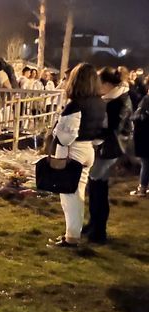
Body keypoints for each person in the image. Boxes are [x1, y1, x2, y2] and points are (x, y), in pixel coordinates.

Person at [49, 63, 106, 247]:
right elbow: (101, 131)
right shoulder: (100, 103)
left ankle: (72, 237)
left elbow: (65, 137)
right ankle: (72, 233)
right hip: (88, 149)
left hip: (73, 151)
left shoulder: (75, 105)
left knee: (70, 197)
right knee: (77, 194)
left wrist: (56, 130)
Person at [83, 67, 133, 244]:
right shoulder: (112, 98)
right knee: (96, 185)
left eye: (98, 83)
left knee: (98, 186)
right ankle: (93, 224)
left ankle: (99, 231)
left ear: (107, 84)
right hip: (107, 146)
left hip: (111, 147)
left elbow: (114, 127)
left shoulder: (118, 101)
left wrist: (95, 132)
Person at [130, 82, 149, 196]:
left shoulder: (146, 100)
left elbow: (136, 116)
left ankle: (142, 188)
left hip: (145, 137)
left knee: (145, 163)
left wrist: (136, 117)